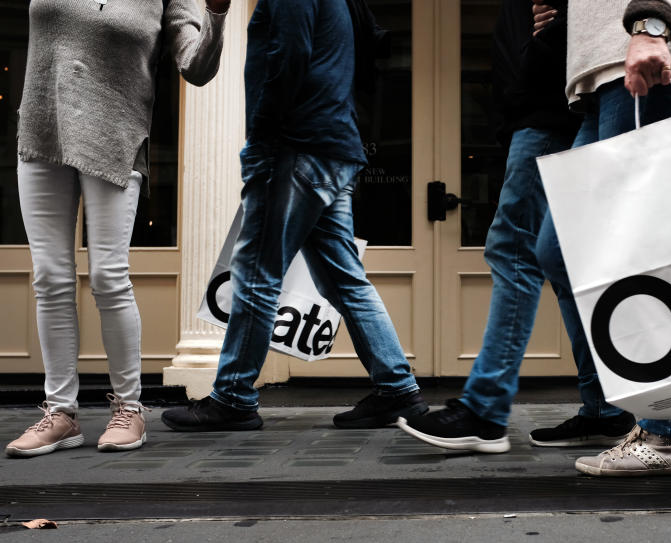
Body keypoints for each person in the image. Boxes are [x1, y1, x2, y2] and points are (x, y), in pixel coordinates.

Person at [161, 0, 427, 432]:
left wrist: (262, 138)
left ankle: (232, 397)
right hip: (331, 144)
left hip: (294, 148)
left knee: (255, 274)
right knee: (344, 278)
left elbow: (288, 58)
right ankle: (397, 390)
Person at [398, 0, 637, 454]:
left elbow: (593, 22)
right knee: (561, 261)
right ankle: (606, 408)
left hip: (549, 113)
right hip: (542, 112)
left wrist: (556, 31)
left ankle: (485, 410)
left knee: (513, 250)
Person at [6, 0, 230, 458]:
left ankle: (129, 408)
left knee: (109, 275)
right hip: (43, 128)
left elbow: (197, 67)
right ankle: (61, 414)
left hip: (115, 138)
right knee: (50, 278)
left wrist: (219, 15)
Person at [539, 0, 671, 475]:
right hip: (607, 79)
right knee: (559, 250)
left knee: (644, 257)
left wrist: (650, 26)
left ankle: (667, 433)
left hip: (648, 65)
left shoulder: (647, 33)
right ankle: (617, 405)